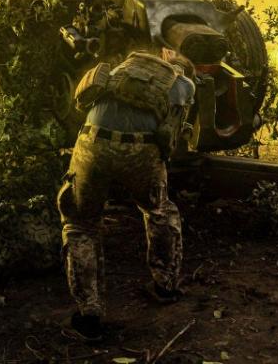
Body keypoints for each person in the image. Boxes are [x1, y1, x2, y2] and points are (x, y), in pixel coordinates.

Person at [58, 47, 196, 342]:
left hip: (93, 141)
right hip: (141, 149)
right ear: (182, 67)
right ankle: (165, 286)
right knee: (158, 211)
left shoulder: (123, 66)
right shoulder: (183, 84)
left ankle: (89, 313)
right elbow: (174, 136)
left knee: (81, 224)